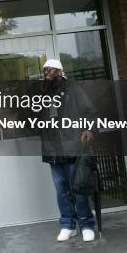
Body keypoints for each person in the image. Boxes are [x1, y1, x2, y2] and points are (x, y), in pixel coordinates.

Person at [37, 58, 98, 242]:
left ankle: (86, 224)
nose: (47, 73)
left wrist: (90, 130)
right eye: (45, 70)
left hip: (73, 147)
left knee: (78, 188)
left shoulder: (73, 89)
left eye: (51, 70)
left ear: (60, 72)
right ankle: (67, 225)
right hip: (53, 149)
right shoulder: (42, 93)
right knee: (61, 190)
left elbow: (91, 112)